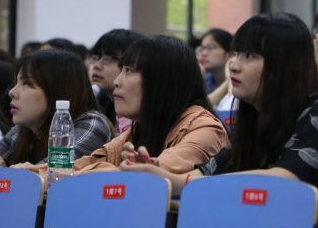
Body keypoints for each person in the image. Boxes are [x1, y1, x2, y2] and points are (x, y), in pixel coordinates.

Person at [121, 13, 318, 207]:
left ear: (284, 65)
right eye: (236, 54)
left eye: (250, 56)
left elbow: (284, 181)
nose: (234, 65)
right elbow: (204, 175)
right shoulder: (254, 117)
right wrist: (157, 173)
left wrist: (175, 181)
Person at [73, 35, 228, 174]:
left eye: (129, 71)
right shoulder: (141, 128)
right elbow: (75, 168)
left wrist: (126, 167)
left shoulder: (204, 128)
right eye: (121, 71)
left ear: (162, 81)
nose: (117, 82)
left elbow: (148, 174)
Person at [0, 50, 112, 167]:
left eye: (26, 83)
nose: (12, 92)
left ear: (57, 90)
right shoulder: (24, 129)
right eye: (16, 82)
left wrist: (3, 176)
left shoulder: (93, 124)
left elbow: (50, 173)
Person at [88, 29, 144, 132]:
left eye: (108, 59)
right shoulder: (100, 104)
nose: (96, 65)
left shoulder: (140, 116)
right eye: (95, 57)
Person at [196, 29, 233, 94]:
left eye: (210, 47)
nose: (203, 53)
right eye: (202, 48)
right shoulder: (204, 81)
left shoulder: (239, 83)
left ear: (229, 54)